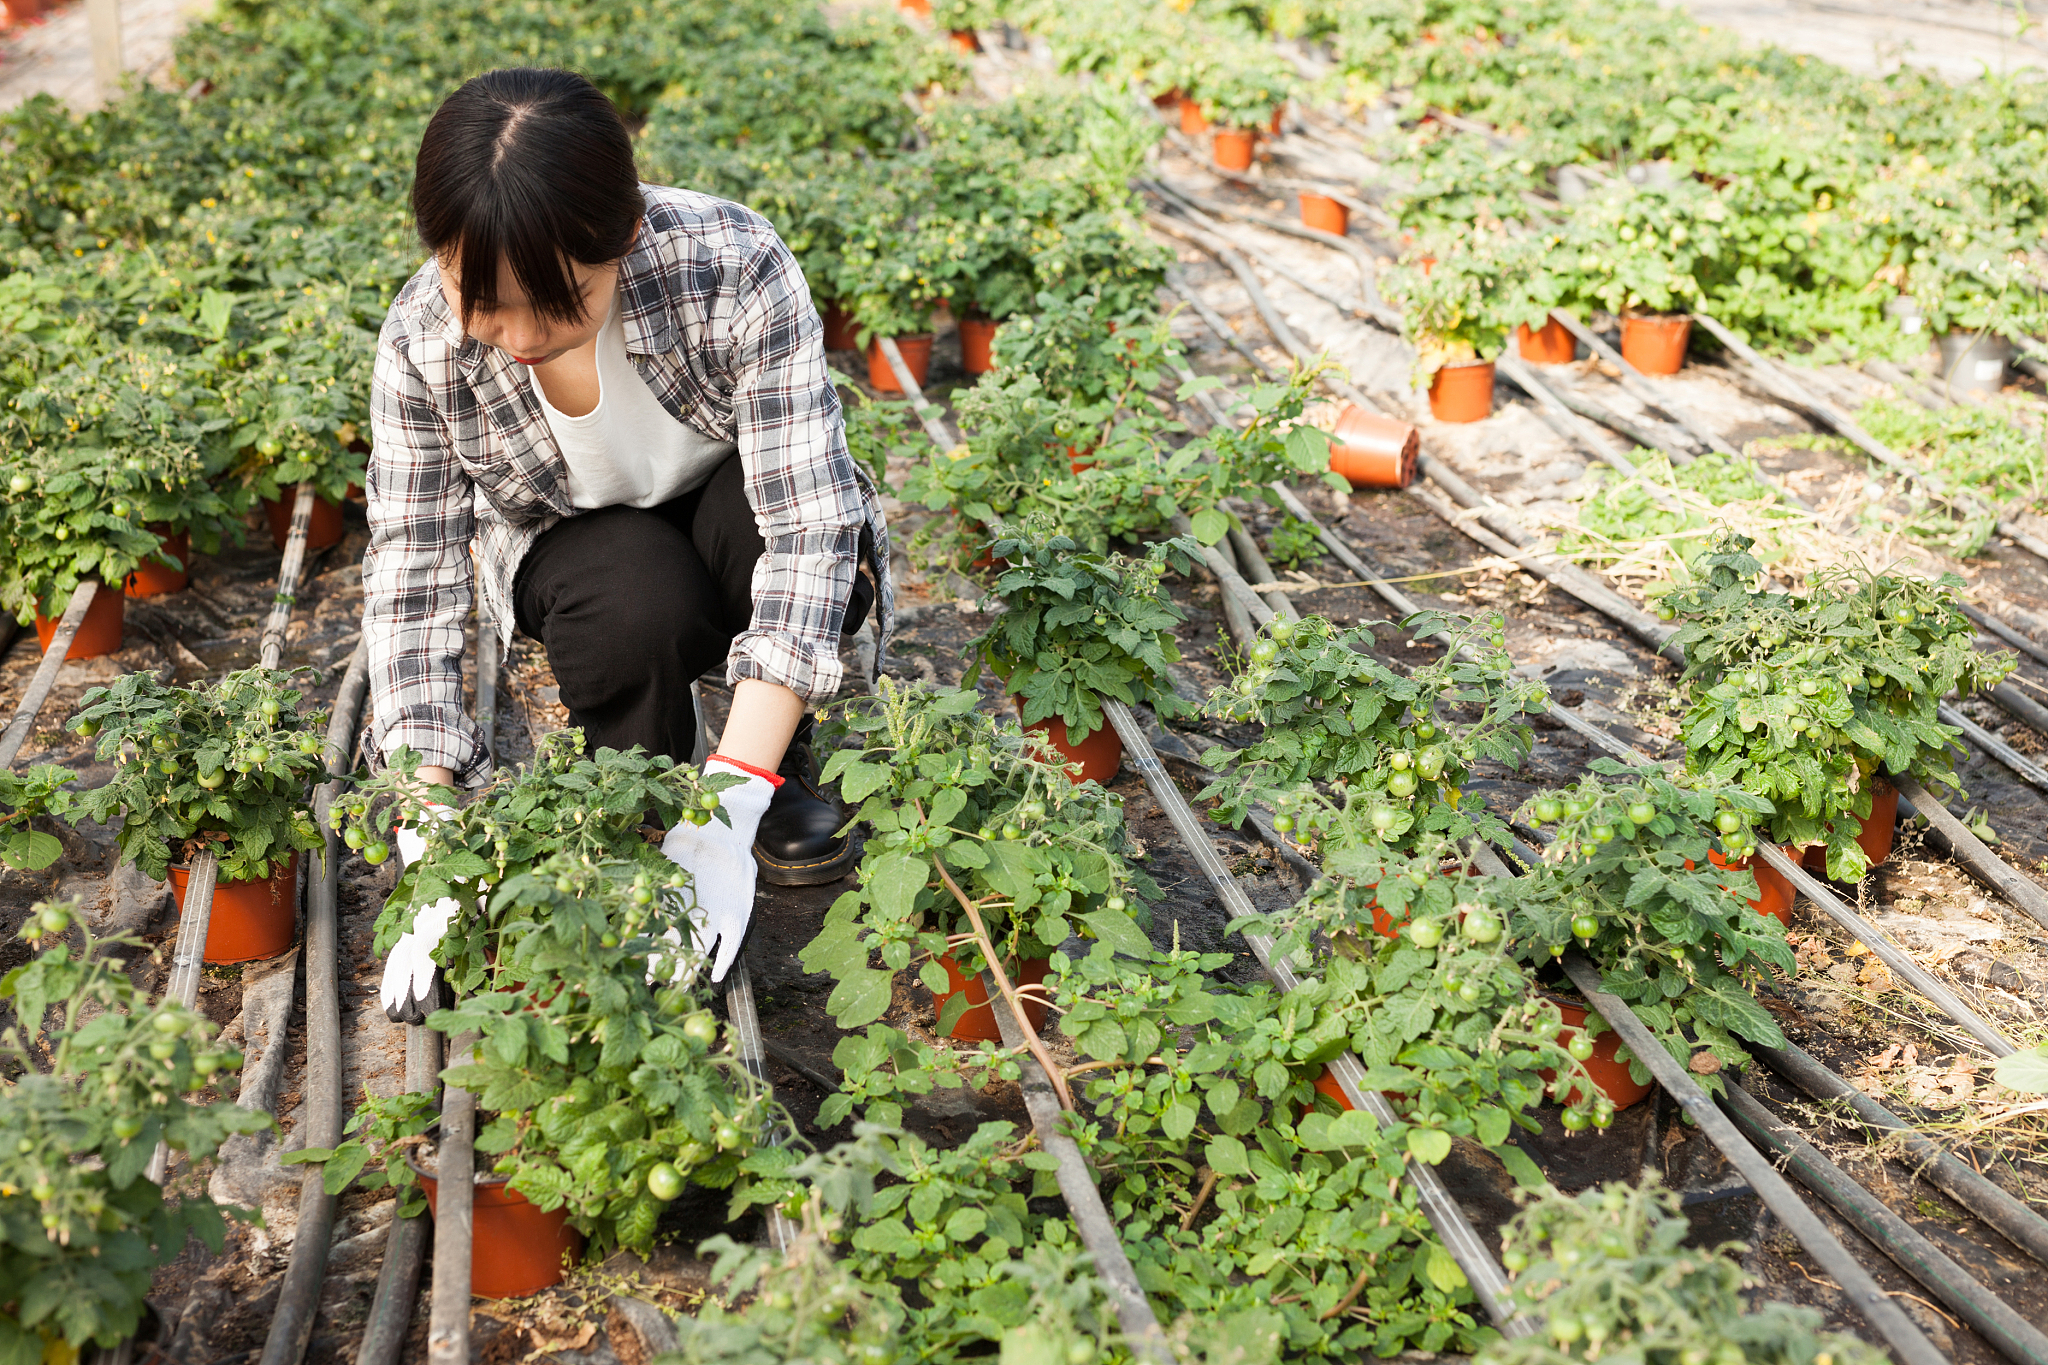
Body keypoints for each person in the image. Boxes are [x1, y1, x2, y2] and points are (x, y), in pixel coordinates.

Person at [366, 67, 890, 1022]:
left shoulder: (729, 263)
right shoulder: (420, 344)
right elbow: (412, 574)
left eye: (559, 299)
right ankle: (634, 794)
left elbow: (808, 528)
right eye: (483, 300)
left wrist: (728, 807)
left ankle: (766, 767)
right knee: (633, 600)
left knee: (809, 533)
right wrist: (428, 826)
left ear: (627, 237)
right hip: (577, 539)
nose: (519, 336)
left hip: (733, 502)